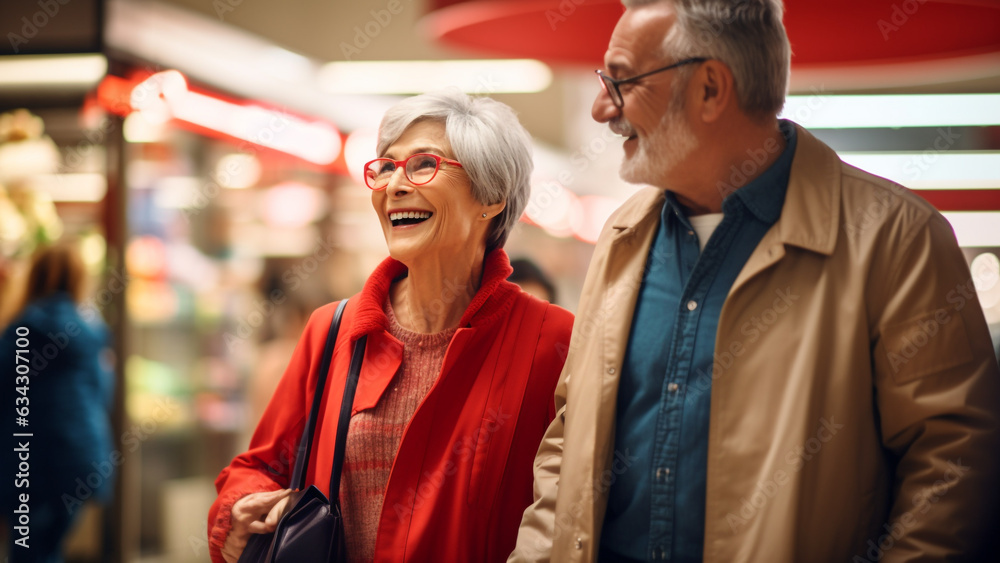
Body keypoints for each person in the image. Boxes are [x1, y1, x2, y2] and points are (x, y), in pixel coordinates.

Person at [510, 1, 1000, 561]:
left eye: (621, 81)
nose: (602, 108)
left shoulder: (896, 240)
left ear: (711, 89)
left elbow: (953, 470)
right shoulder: (622, 238)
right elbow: (572, 441)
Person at [209, 90, 574, 563]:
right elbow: (259, 466)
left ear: (491, 197)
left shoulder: (554, 343)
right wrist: (238, 510)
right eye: (385, 167)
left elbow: (576, 508)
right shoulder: (333, 331)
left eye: (423, 165)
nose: (394, 185)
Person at [0, 242, 115, 563]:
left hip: (28, 462)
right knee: (50, 547)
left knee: (26, 551)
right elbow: (102, 392)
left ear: (33, 276)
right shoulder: (92, 331)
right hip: (81, 460)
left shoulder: (21, 328)